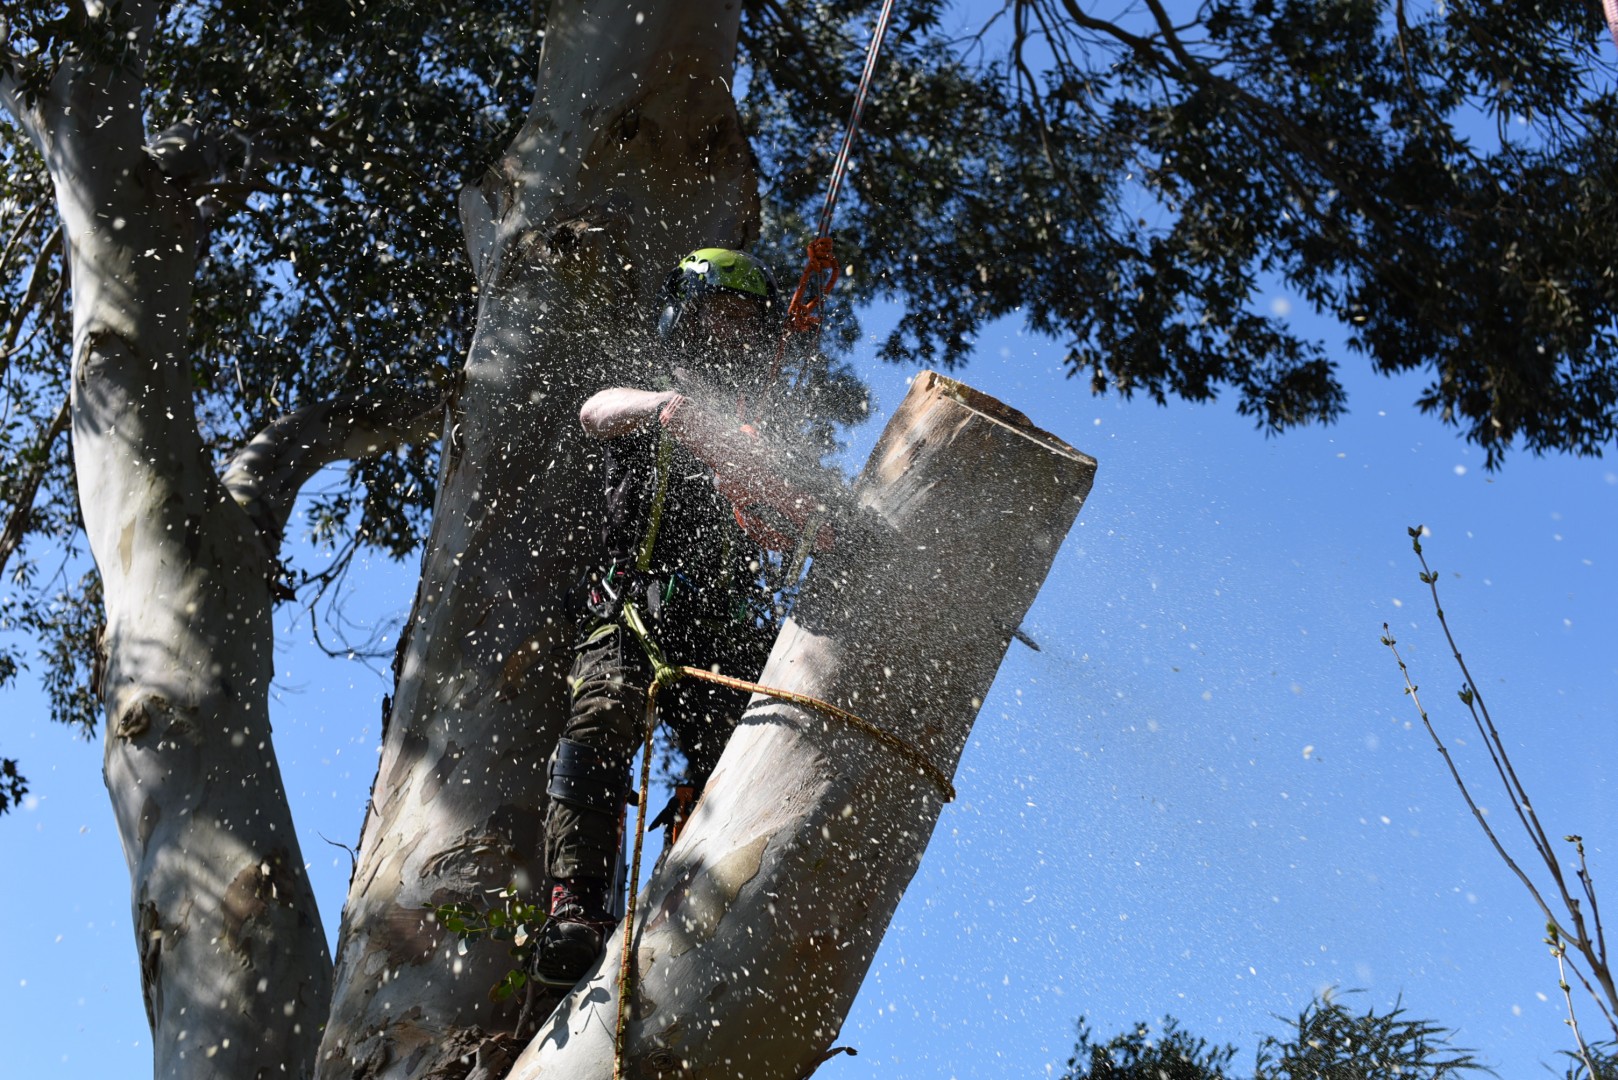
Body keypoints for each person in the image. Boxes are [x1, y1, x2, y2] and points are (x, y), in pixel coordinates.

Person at [534, 247, 827, 986]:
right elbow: (593, 411)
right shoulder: (648, 401)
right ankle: (576, 901)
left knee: (756, 752)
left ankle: (697, 892)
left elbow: (794, 520)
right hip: (635, 607)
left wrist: (794, 509)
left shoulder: (764, 433)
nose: (729, 333)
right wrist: (673, 412)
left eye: (743, 321)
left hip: (723, 623)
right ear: (685, 317)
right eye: (717, 315)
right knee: (600, 718)